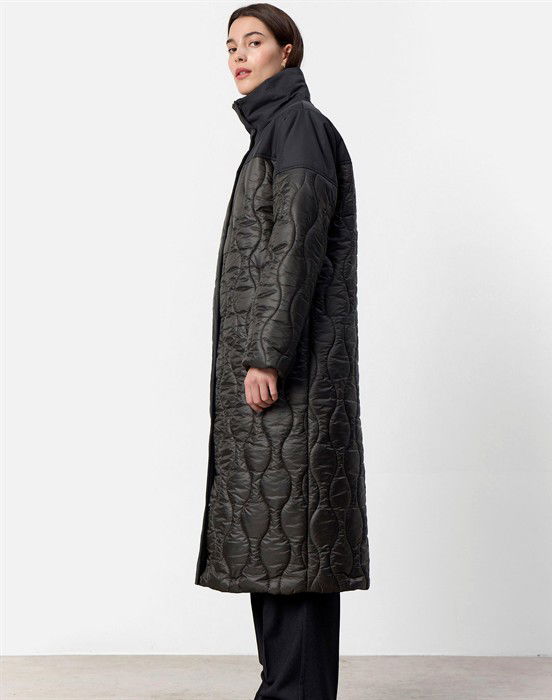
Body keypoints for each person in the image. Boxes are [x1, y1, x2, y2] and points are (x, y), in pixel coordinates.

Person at [194, 4, 370, 698]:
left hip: (287, 381)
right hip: (281, 382)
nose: (238, 55)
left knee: (291, 547)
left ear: (288, 52)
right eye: (230, 45)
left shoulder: (295, 128)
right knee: (280, 548)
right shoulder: (274, 132)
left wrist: (266, 354)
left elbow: (293, 249)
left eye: (254, 41)